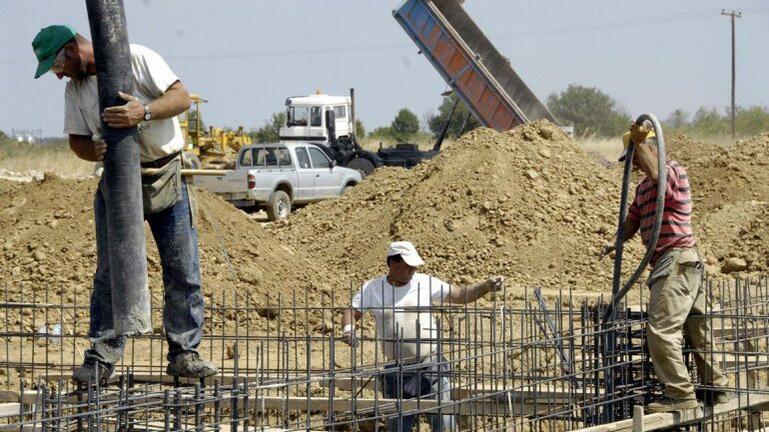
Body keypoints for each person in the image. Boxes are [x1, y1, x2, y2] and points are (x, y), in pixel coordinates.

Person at [32, 25, 217, 382]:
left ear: (71, 51)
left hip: (164, 174)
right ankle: (102, 356)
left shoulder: (137, 58)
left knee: (182, 268)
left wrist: (143, 112)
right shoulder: (77, 88)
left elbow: (181, 98)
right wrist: (93, 150)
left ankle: (184, 352)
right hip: (116, 182)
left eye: (57, 67)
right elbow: (77, 141)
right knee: (110, 273)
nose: (58, 77)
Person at [601, 123, 729, 413]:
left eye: (634, 155)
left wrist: (640, 142)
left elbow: (657, 173)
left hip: (676, 260)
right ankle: (716, 389)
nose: (632, 163)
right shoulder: (643, 187)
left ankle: (681, 395)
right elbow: (632, 220)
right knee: (697, 331)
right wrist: (614, 242)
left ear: (648, 148)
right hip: (678, 263)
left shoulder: (672, 171)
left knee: (661, 331)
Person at [341, 241, 504, 432]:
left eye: (415, 266)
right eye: (408, 265)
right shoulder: (373, 288)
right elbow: (352, 311)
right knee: (398, 426)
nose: (413, 270)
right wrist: (349, 329)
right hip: (397, 370)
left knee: (443, 423)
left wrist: (484, 287)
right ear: (393, 263)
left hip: (430, 366)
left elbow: (459, 295)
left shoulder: (425, 283)